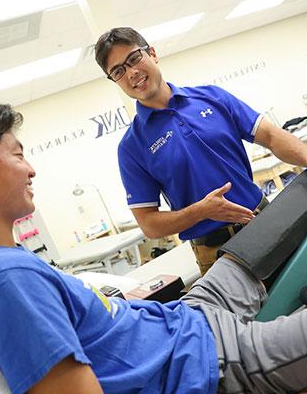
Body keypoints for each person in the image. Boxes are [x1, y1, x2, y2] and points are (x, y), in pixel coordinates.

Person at [0, 98, 307, 394]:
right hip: (206, 361)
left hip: (186, 316)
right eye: (17, 155)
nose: (31, 169)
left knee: (297, 198)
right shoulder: (4, 282)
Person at [94, 27, 307, 275]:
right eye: (118, 71)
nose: (132, 73)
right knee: (250, 316)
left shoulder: (212, 98)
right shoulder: (131, 147)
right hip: (216, 254)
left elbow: (270, 136)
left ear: (152, 53)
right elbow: (149, 224)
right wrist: (201, 211)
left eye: (134, 59)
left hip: (266, 222)